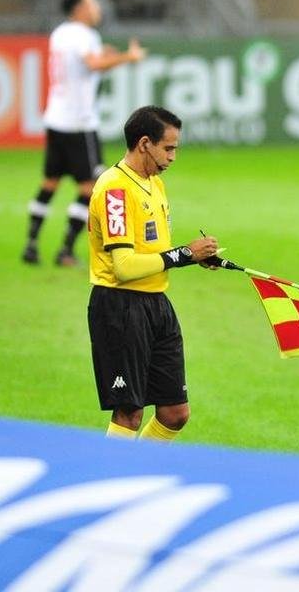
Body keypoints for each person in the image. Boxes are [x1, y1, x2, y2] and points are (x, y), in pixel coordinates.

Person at [87, 105, 220, 441]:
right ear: (145, 143)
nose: (174, 156)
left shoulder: (155, 184)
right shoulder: (115, 190)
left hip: (156, 304)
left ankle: (137, 469)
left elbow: (155, 252)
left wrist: (193, 258)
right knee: (129, 412)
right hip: (120, 307)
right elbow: (125, 267)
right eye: (169, 148)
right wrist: (184, 253)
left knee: (176, 413)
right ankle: (112, 481)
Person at [22, 0, 145, 267]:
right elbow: (93, 64)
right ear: (79, 8)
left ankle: (31, 244)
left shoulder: (60, 33)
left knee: (50, 182)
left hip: (56, 119)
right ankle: (65, 250)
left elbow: (85, 66)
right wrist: (128, 57)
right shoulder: (84, 35)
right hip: (80, 123)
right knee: (89, 187)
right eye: (92, 2)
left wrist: (106, 56)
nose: (97, 7)